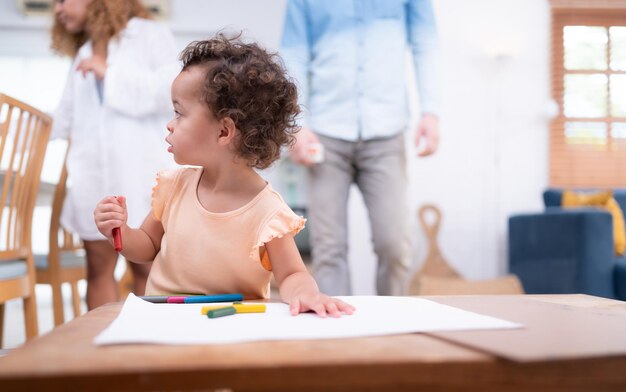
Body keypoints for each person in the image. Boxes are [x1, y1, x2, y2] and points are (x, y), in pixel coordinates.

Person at [93, 36, 355, 317]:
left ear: (223, 132)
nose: (170, 125)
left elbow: (292, 275)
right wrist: (119, 231)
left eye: (179, 114)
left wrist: (306, 293)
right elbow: (145, 246)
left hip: (231, 328)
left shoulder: (268, 212)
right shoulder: (175, 187)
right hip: (165, 321)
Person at [280, 0, 442, 296]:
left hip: (387, 131)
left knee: (394, 245)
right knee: (329, 249)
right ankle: (336, 332)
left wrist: (431, 111)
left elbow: (425, 43)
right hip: (325, 133)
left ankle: (391, 324)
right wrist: (297, 123)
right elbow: (294, 55)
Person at [51, 0, 179, 309]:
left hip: (139, 171)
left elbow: (169, 90)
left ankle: (148, 350)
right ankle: (101, 350)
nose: (56, 9)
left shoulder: (150, 34)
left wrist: (108, 73)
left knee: (145, 265)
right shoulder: (84, 52)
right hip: (93, 175)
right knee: (97, 267)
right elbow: (63, 116)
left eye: (62, 0)